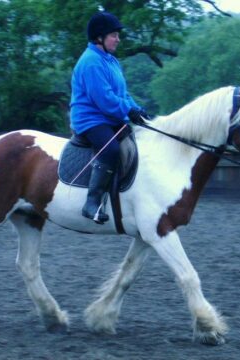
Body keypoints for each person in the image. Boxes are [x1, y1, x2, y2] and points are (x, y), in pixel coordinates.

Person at [70, 11, 149, 224]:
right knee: (111, 149)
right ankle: (92, 202)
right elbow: (104, 99)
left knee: (138, 139)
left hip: (110, 118)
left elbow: (122, 95)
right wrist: (127, 110)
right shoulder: (91, 62)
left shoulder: (111, 61)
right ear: (99, 37)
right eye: (114, 35)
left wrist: (137, 110)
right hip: (91, 119)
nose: (118, 39)